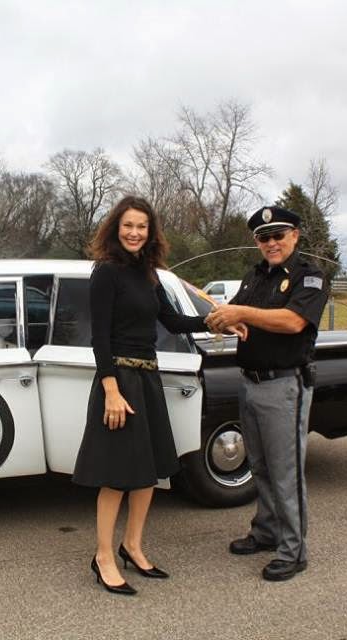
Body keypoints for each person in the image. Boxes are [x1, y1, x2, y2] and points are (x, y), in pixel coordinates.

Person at [72, 195, 244, 596]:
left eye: (142, 227)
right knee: (116, 477)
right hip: (120, 383)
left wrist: (218, 321)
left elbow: (171, 319)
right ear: (117, 228)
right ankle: (103, 557)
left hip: (149, 381)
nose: (135, 233)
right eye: (128, 225)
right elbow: (98, 337)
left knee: (148, 472)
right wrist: (111, 390)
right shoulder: (106, 272)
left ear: (150, 233)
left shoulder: (150, 273)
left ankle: (132, 546)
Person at [206, 205, 327, 582]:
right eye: (263, 237)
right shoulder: (255, 277)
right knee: (258, 466)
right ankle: (266, 531)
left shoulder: (310, 277)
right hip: (251, 382)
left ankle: (294, 551)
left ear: (294, 235)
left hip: (284, 386)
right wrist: (226, 322)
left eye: (278, 235)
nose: (271, 243)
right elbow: (247, 320)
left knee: (285, 473)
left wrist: (240, 310)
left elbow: (292, 322)